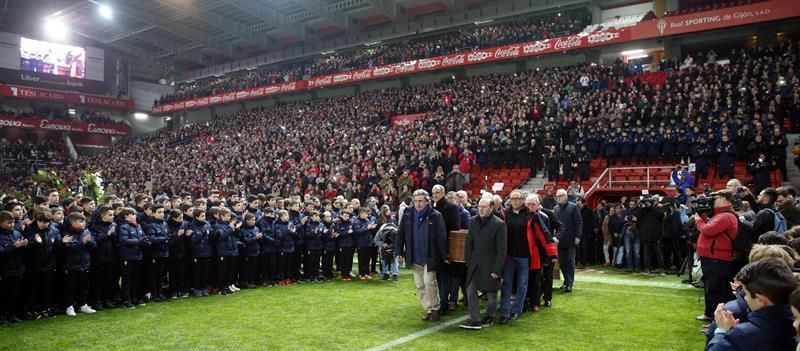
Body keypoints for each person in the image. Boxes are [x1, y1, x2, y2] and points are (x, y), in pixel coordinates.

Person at [706, 258, 797, 351]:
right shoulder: (794, 327)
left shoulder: (742, 335)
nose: (745, 298)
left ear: (760, 299)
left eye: (746, 294)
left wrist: (722, 332)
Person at [396, 189, 448, 322]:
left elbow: (441, 237)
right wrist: (398, 252)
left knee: (429, 282)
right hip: (415, 256)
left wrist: (443, 256)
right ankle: (429, 309)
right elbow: (401, 233)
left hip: (430, 256)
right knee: (419, 285)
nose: (418, 204)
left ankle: (436, 308)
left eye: (420, 201)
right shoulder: (408, 213)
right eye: (416, 201)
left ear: (427, 202)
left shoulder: (436, 215)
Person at [460, 197, 507, 330]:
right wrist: (468, 261)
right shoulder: (474, 221)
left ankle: (489, 316)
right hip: (474, 264)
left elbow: (501, 249)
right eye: (479, 206)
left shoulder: (499, 224)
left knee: (492, 295)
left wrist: (496, 269)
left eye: (484, 206)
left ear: (491, 208)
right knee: (470, 291)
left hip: (491, 265)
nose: (480, 209)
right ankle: (475, 320)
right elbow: (469, 242)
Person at [695, 190, 739, 322]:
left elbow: (709, 230)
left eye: (715, 197)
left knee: (715, 289)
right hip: (714, 257)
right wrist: (703, 218)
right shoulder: (722, 215)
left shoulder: (725, 216)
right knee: (712, 288)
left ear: (725, 199)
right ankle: (712, 314)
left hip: (716, 258)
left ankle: (714, 318)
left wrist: (698, 220)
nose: (712, 200)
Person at [499, 190, 530, 323]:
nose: (515, 201)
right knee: (506, 284)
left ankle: (517, 310)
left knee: (522, 285)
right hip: (509, 255)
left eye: (518, 199)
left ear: (523, 200)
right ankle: (504, 313)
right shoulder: (505, 214)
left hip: (524, 256)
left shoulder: (530, 215)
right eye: (513, 199)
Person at [431, 184, 460, 315]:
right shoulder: (432, 207)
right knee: (439, 277)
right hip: (435, 248)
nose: (435, 195)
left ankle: (444, 303)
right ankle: (442, 302)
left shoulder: (451, 208)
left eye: (437, 192)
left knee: (446, 277)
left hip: (446, 247)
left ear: (443, 193)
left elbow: (455, 230)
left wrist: (449, 250)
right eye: (433, 193)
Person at [60, 212, 97, 316]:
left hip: (84, 263)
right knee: (70, 287)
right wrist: (82, 243)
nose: (83, 223)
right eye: (80, 221)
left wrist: (89, 243)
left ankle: (83, 305)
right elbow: (68, 249)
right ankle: (69, 306)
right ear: (73, 222)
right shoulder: (66, 233)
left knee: (83, 286)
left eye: (83, 221)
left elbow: (94, 246)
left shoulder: (86, 231)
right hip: (71, 265)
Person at [0, 210, 28, 324]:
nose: (11, 225)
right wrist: (14, 246)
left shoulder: (16, 233)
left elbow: (21, 250)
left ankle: (12, 315)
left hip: (18, 268)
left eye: (12, 222)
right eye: (8, 222)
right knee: (4, 295)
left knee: (15, 294)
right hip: (5, 270)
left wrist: (24, 245)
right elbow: (1, 252)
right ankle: (2, 316)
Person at [118, 207, 148, 308]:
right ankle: (126, 300)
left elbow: (143, 237)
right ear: (126, 216)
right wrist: (140, 242)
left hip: (138, 255)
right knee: (127, 280)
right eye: (132, 214)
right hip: (127, 256)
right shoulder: (123, 227)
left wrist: (146, 241)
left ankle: (134, 297)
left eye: (135, 214)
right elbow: (124, 241)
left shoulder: (138, 226)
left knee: (135, 278)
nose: (135, 216)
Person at [554, 189, 581, 292]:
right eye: (557, 196)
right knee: (562, 262)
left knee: (570, 261)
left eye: (560, 196)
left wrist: (578, 236)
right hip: (560, 240)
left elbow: (579, 222)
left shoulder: (573, 207)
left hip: (571, 239)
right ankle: (566, 281)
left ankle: (569, 283)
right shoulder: (555, 209)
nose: (558, 198)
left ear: (565, 196)